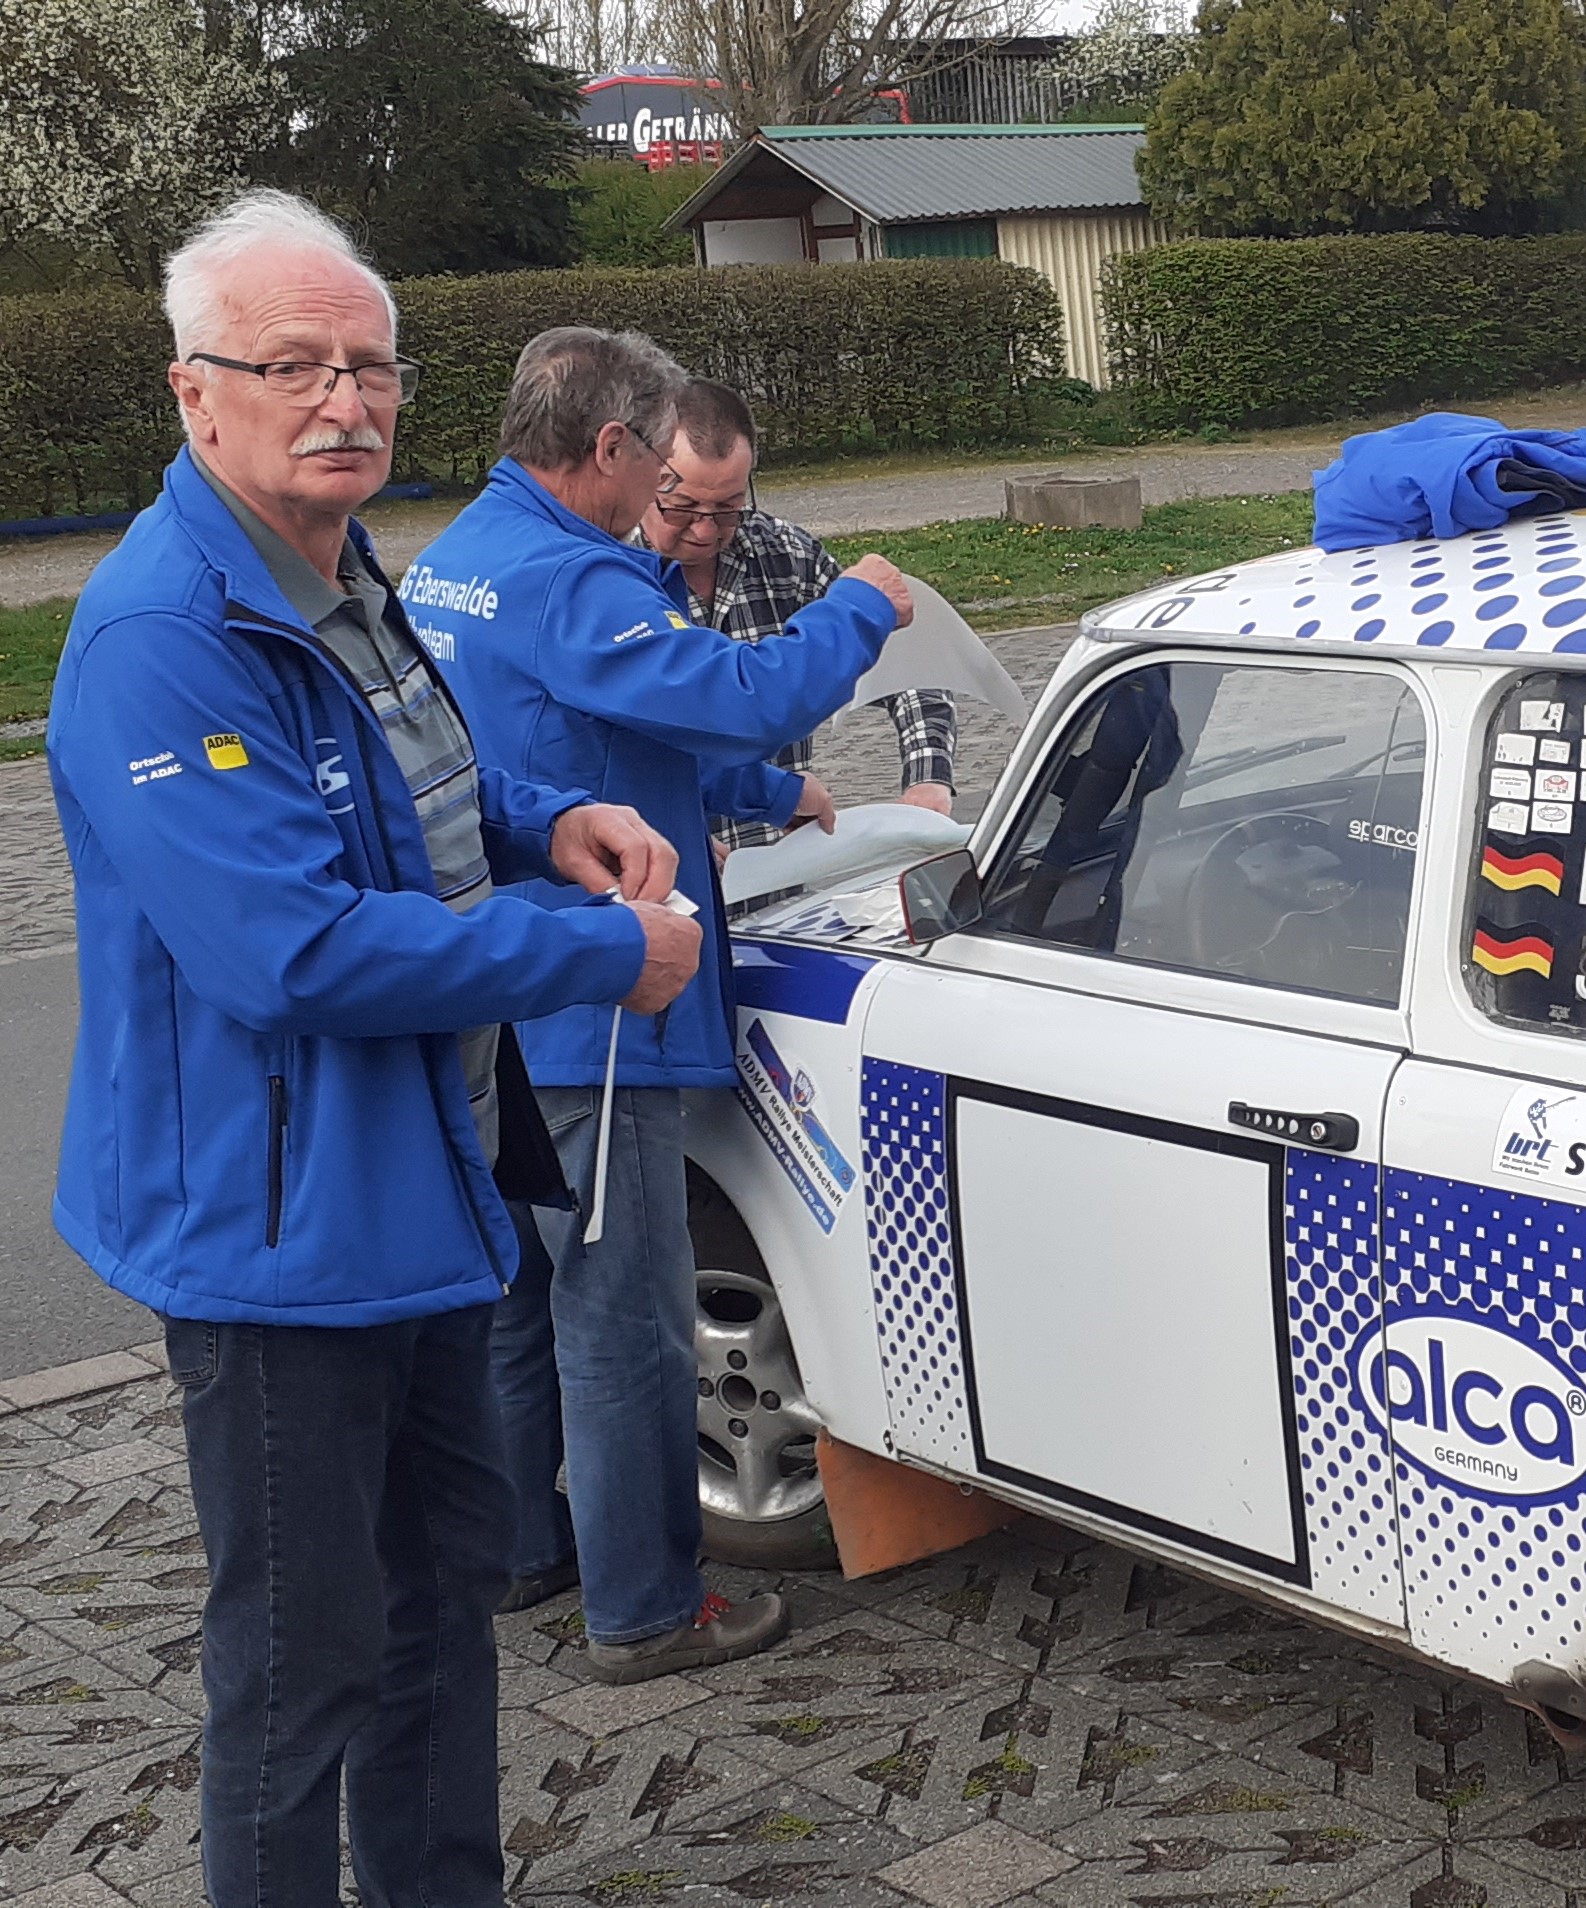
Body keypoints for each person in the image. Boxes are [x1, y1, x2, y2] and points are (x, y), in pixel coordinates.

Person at [46, 190, 701, 1908]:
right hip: (280, 1238)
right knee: (302, 1663)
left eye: (371, 366)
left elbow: (405, 778)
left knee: (441, 1610)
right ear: (196, 392)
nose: (344, 401)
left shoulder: (335, 565)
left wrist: (547, 819)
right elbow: (294, 948)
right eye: (294, 366)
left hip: (427, 1188)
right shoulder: (164, 634)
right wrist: (602, 952)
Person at [414, 328, 912, 1683]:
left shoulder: (459, 555)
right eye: (656, 471)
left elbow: (588, 733)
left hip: (490, 981)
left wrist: (765, 792)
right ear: (613, 445)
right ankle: (644, 1607)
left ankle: (521, 1553)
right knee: (626, 1317)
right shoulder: (572, 576)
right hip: (597, 1001)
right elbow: (740, 691)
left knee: (516, 1292)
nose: (665, 507)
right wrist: (859, 606)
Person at [642, 378, 958, 852]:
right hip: (659, 878)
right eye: (682, 509)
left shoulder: (785, 554)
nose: (705, 531)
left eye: (728, 508)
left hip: (785, 869)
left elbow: (904, 663)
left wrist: (928, 777)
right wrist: (677, 834)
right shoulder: (605, 580)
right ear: (643, 477)